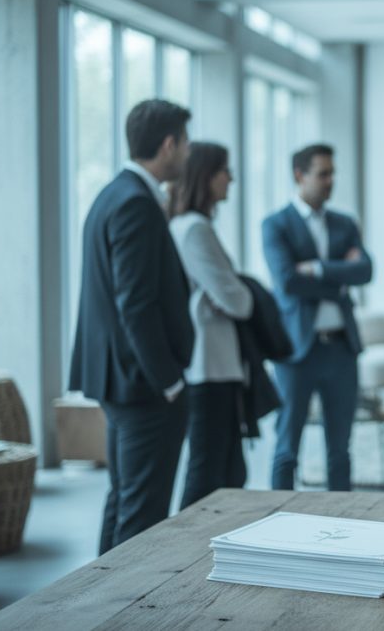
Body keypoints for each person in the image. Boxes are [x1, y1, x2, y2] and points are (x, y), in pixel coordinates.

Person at [69, 99, 194, 554]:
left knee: (124, 499)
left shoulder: (112, 194)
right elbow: (136, 305)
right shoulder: (136, 203)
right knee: (143, 515)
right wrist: (169, 381)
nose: (188, 152)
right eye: (186, 142)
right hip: (142, 384)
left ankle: (99, 593)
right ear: (169, 144)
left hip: (119, 378)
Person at [262, 144, 372, 491]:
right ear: (300, 175)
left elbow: (365, 270)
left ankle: (341, 519)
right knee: (286, 449)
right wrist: (338, 280)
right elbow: (287, 281)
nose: (330, 181)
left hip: (341, 348)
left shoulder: (344, 223)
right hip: (296, 350)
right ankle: (277, 517)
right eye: (323, 174)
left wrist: (318, 268)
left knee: (340, 451)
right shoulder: (276, 224)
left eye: (332, 173)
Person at [169, 142, 254, 508]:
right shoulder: (193, 229)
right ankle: (185, 542)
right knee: (208, 474)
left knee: (228, 471)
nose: (230, 178)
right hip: (208, 367)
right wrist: (237, 292)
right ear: (205, 176)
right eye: (224, 171)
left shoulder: (190, 226)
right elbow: (239, 301)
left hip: (216, 365)